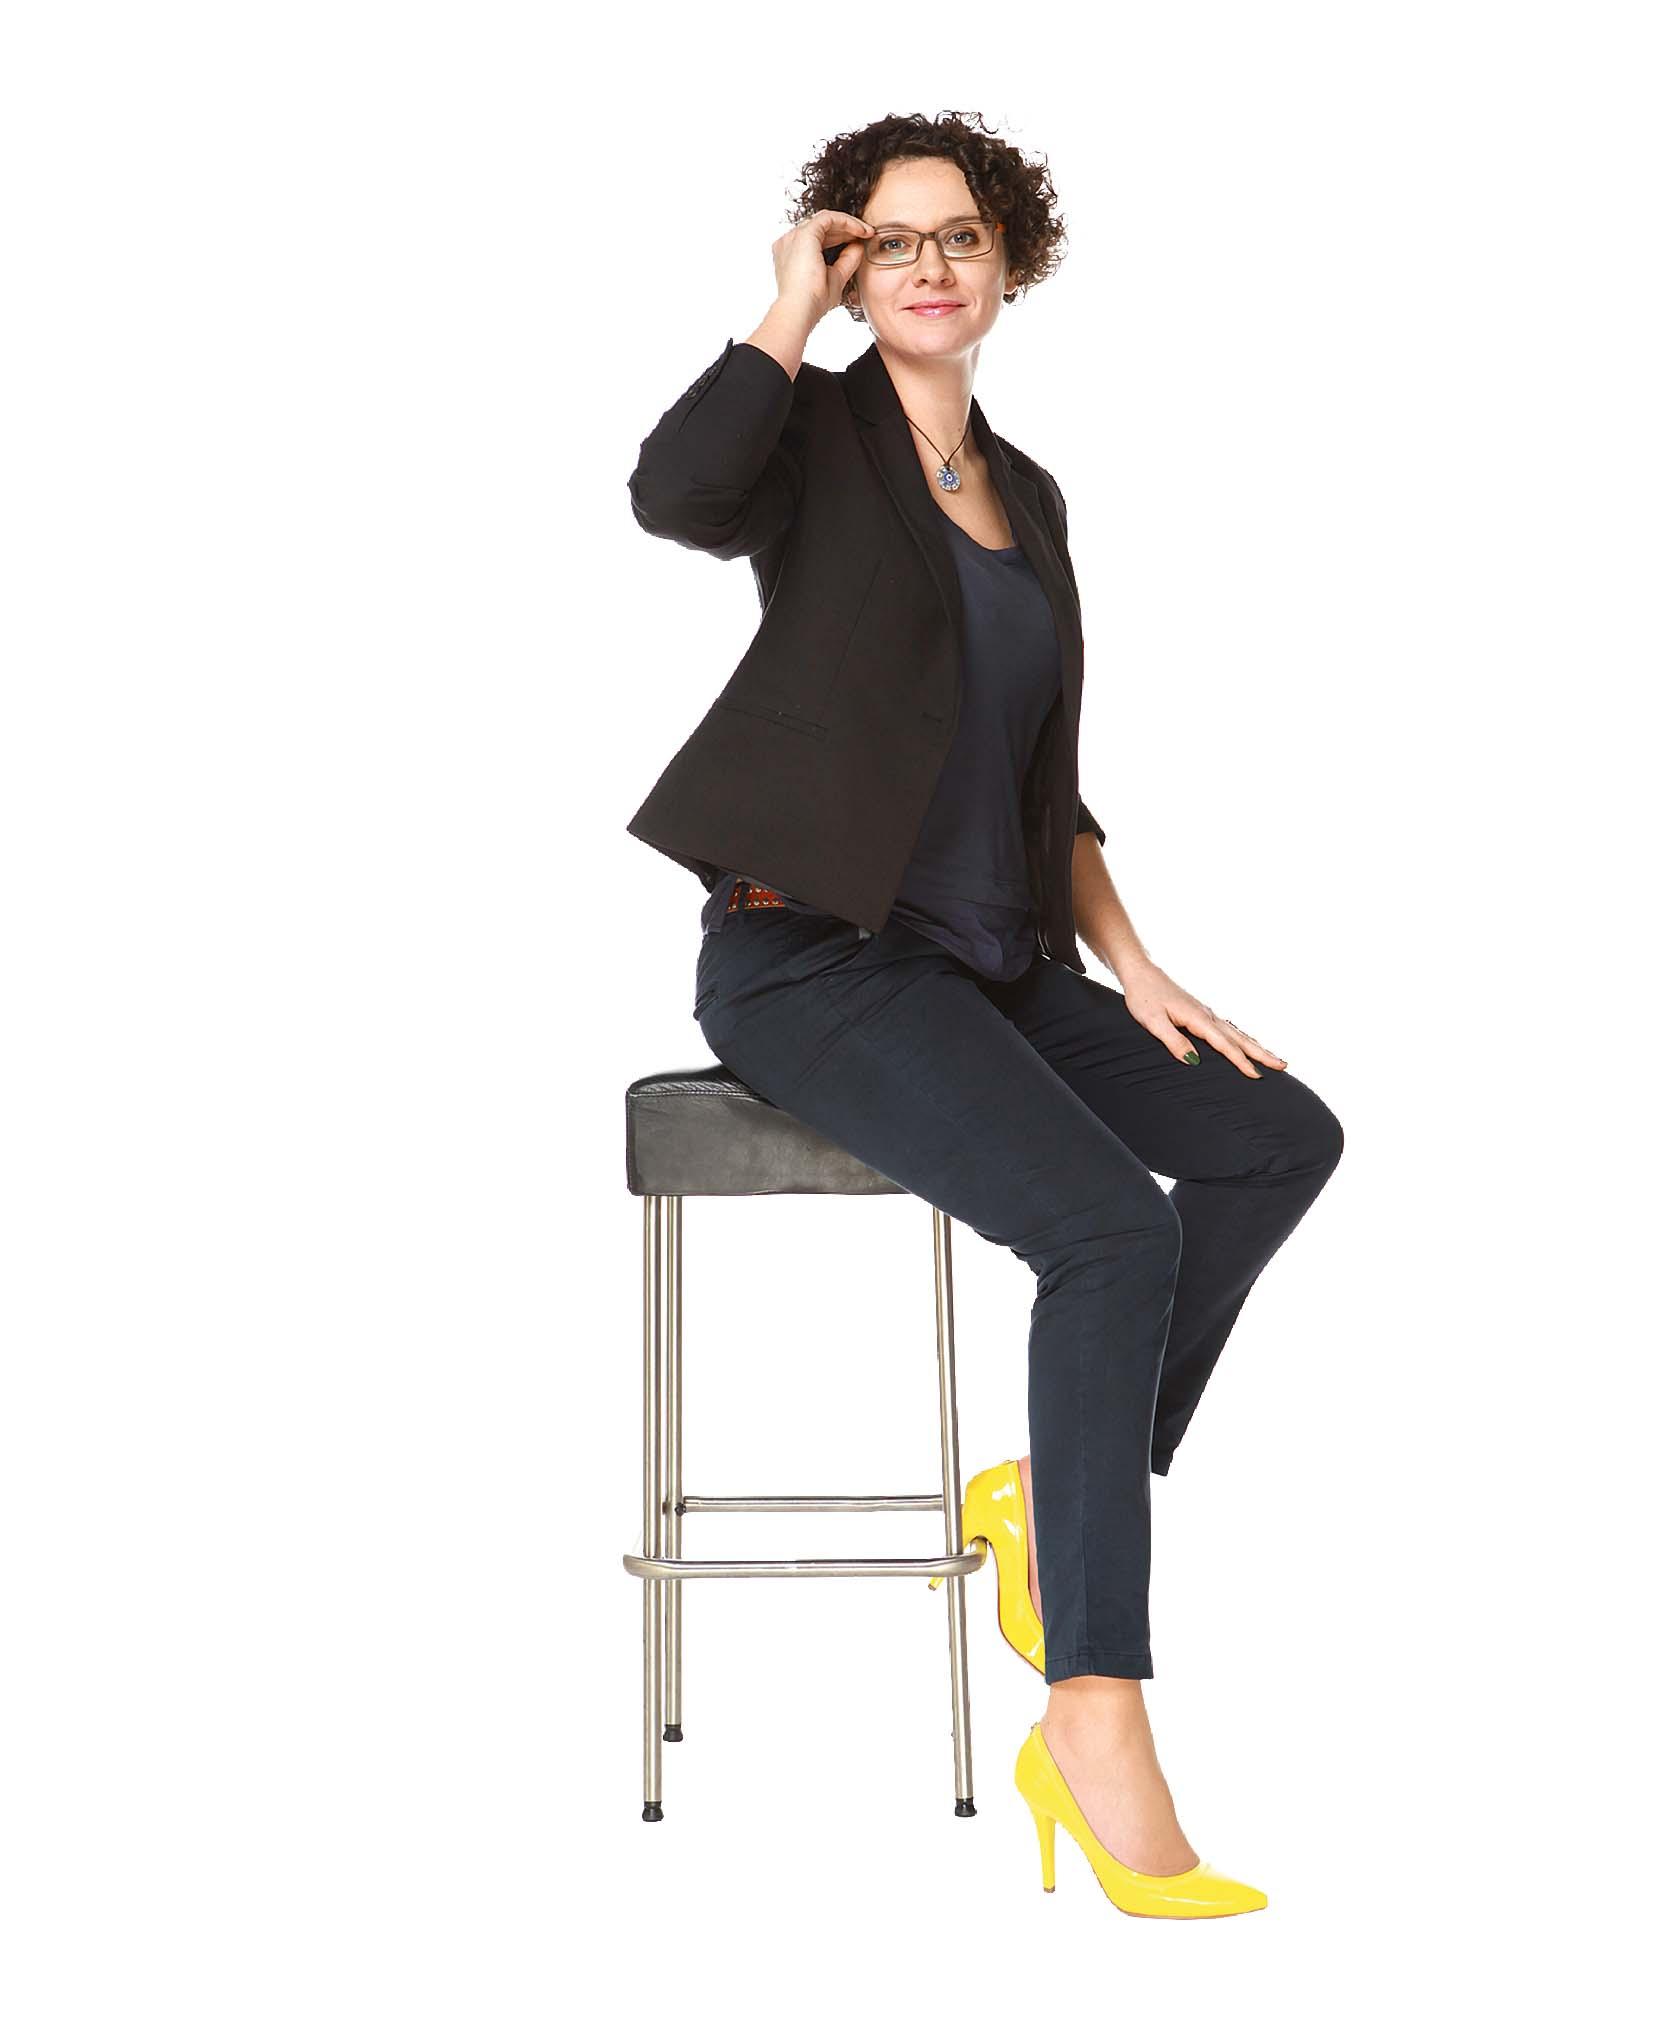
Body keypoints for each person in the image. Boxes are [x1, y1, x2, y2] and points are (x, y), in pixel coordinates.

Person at [624, 113, 1343, 1918]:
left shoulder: (1032, 493)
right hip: (812, 958)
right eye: (888, 240)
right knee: (1106, 1231)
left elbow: (1044, 778)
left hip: (995, 961)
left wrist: (1136, 963)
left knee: (1270, 1136)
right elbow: (674, 497)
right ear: (850, 266)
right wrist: (783, 309)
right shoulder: (808, 438)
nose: (928, 265)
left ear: (1011, 260)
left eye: (959, 236)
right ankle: (1092, 1708)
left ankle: (1056, 1486)